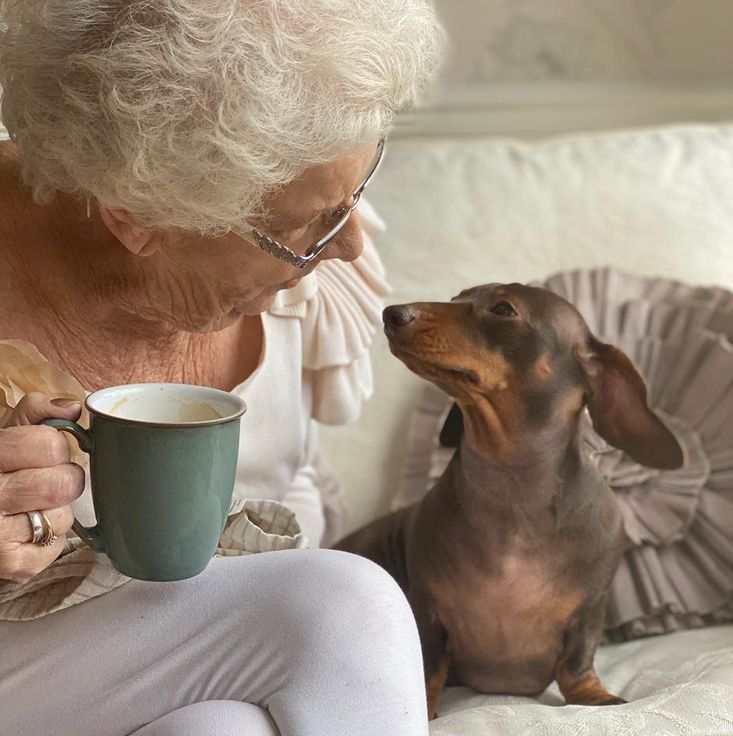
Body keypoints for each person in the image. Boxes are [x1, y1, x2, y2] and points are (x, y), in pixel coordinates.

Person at [0, 1, 443, 734]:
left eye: (356, 191)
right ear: (133, 213)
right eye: (308, 227)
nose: (350, 244)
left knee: (219, 730)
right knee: (341, 607)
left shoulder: (314, 225)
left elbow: (290, 480)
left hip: (155, 673)